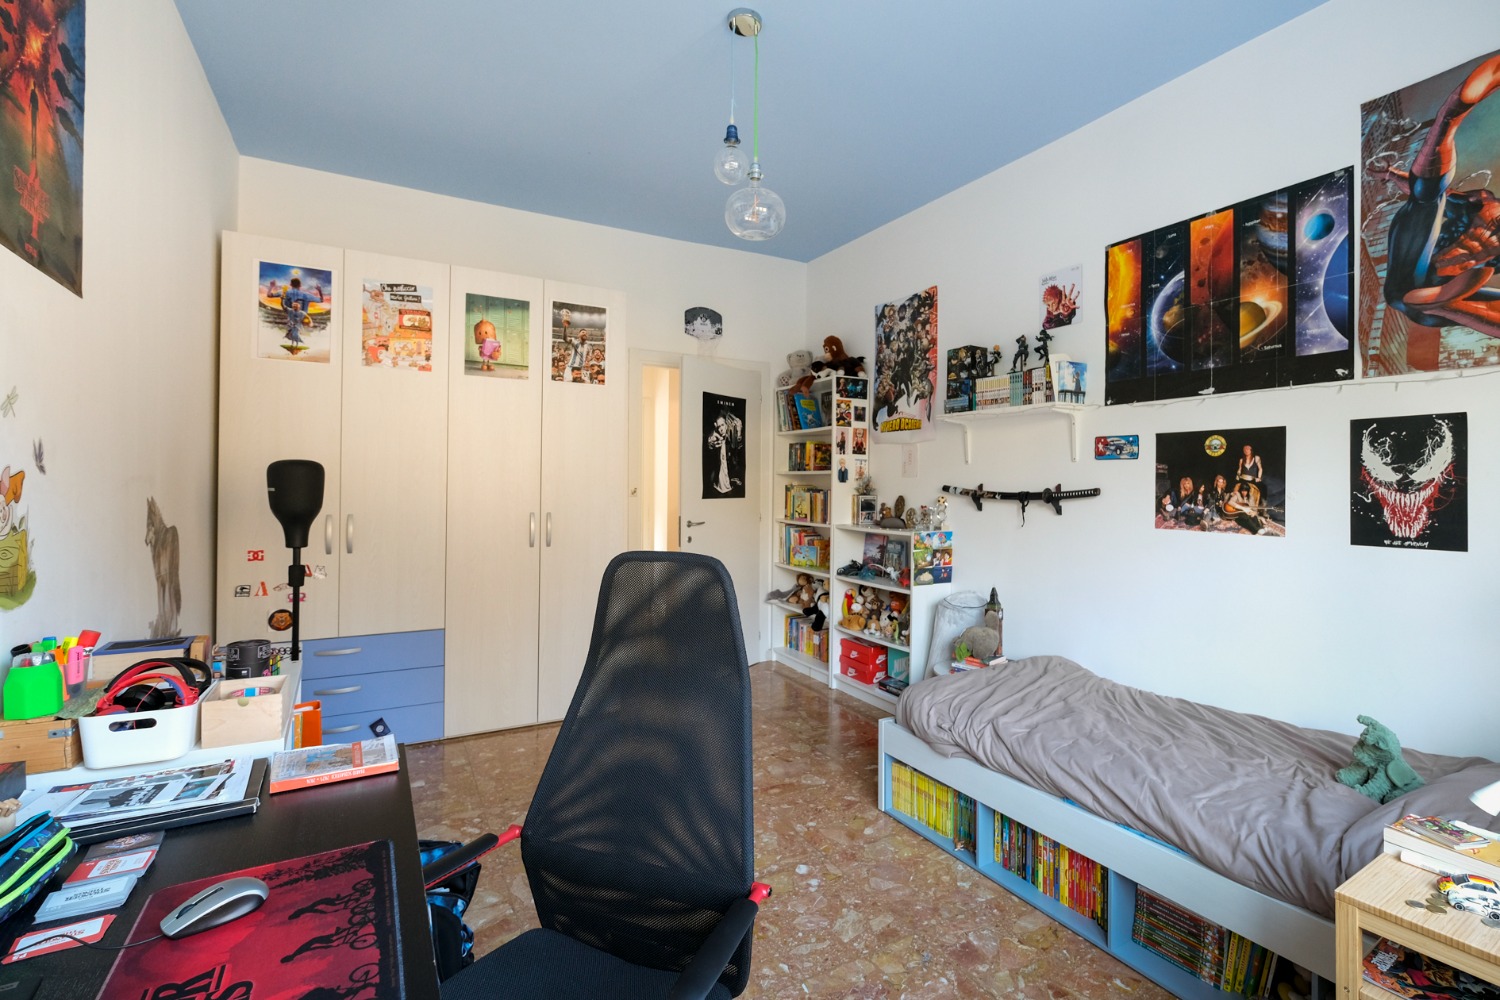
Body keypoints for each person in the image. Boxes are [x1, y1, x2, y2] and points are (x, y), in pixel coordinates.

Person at [1382, 53, 1500, 339]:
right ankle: (1450, 116)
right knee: (1427, 203)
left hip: (1450, 290)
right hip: (1417, 265)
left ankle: (1445, 304)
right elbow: (1435, 194)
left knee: (1419, 304)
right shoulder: (1485, 204)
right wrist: (1393, 175)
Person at [274, 276, 324, 347]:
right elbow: (321, 300)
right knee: (294, 330)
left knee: (294, 329)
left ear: (290, 284)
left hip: (293, 317)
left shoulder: (284, 292)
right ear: (300, 285)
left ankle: (297, 342)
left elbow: (269, 295)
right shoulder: (306, 295)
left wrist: (271, 287)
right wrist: (319, 290)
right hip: (299, 318)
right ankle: (296, 342)